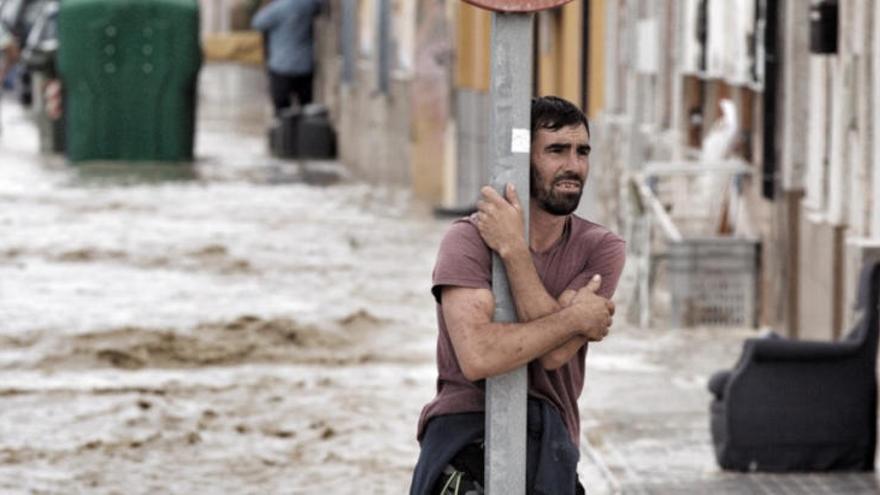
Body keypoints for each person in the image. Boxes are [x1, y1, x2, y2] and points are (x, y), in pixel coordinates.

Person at [410, 96, 626, 494]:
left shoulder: (602, 248)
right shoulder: (467, 240)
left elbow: (555, 357)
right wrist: (574, 318)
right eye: (556, 151)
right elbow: (479, 357)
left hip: (552, 445)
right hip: (463, 436)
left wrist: (513, 250)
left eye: (582, 152)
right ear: (522, 162)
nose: (574, 167)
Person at [250, 0, 321, 114]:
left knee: (282, 112)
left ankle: (287, 131)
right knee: (306, 108)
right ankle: (303, 131)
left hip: (281, 67)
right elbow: (320, 6)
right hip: (305, 66)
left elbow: (257, 23)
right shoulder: (308, 4)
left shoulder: (277, 8)